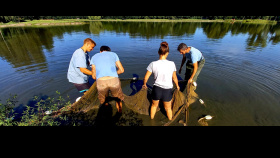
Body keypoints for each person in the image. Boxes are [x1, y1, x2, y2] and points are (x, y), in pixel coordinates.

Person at [143, 42, 180, 120]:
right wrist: (177, 86)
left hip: (156, 89)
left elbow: (146, 77)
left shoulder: (153, 64)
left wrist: (144, 84)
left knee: (154, 106)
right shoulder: (172, 64)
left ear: (158, 52)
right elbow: (174, 78)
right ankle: (170, 121)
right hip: (167, 90)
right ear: (168, 53)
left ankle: (151, 120)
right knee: (168, 108)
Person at [90, 46, 125, 113]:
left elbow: (94, 76)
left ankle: (107, 114)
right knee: (118, 99)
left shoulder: (94, 57)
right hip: (113, 80)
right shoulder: (114, 54)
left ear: (100, 51)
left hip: (101, 82)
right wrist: (113, 73)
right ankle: (119, 112)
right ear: (109, 51)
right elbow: (122, 70)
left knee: (104, 100)